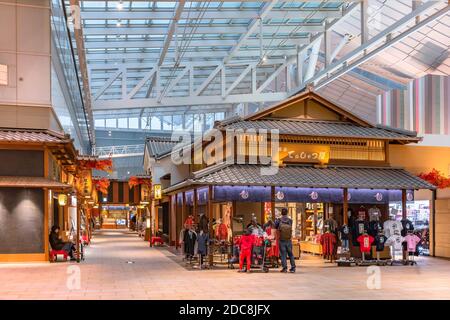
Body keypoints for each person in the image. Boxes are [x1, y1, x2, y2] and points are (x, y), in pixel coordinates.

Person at [275, 208, 296, 273]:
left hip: (282, 240)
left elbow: (275, 226)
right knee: (291, 254)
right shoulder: (290, 220)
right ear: (287, 212)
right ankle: (293, 268)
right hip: (288, 240)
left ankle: (284, 268)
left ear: (281, 213)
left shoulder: (279, 220)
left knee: (283, 254)